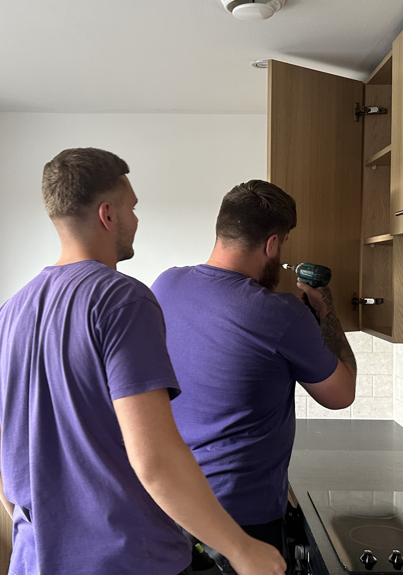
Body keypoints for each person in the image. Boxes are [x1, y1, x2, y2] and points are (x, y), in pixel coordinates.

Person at [0, 149, 286, 575]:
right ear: (108, 214)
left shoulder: (9, 312)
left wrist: (43, 532)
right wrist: (241, 549)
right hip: (125, 560)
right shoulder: (123, 300)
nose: (137, 219)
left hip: (33, 560)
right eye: (133, 207)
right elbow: (155, 458)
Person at [150, 180, 358, 562]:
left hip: (171, 506)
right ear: (273, 244)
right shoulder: (282, 313)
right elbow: (341, 394)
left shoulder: (164, 286)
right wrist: (326, 316)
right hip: (243, 522)